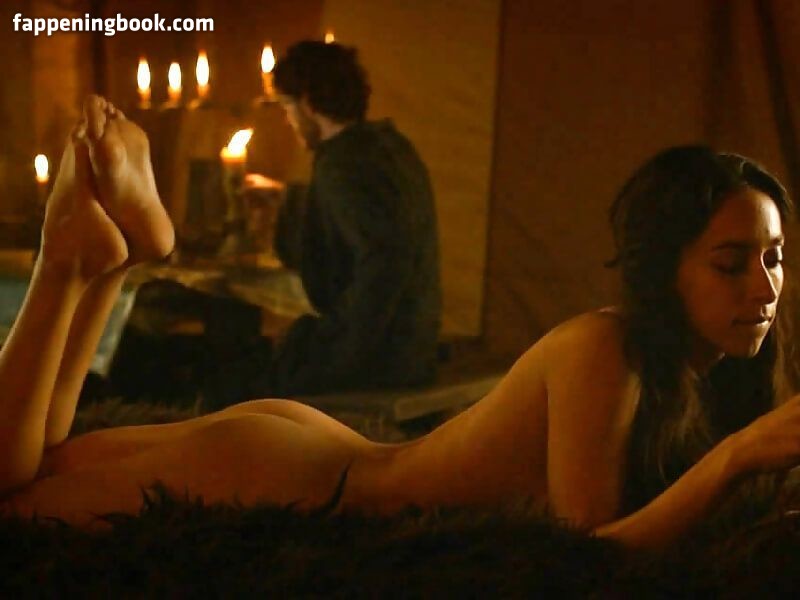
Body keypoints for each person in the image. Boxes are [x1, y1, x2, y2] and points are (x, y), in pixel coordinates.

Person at [2, 96, 799, 552]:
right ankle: (67, 260)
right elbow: (583, 556)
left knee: (38, 465)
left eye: (775, 258)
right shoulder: (607, 348)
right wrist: (735, 460)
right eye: (732, 263)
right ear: (665, 267)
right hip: (290, 477)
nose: (765, 286)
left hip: (313, 452)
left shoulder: (690, 374)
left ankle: (108, 264)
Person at [201, 41, 442, 408]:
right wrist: (285, 196)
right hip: (411, 345)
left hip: (380, 357)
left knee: (231, 380)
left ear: (308, 102)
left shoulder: (343, 165)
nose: (288, 119)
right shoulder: (388, 146)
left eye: (287, 106)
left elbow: (384, 259)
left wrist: (341, 348)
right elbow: (375, 218)